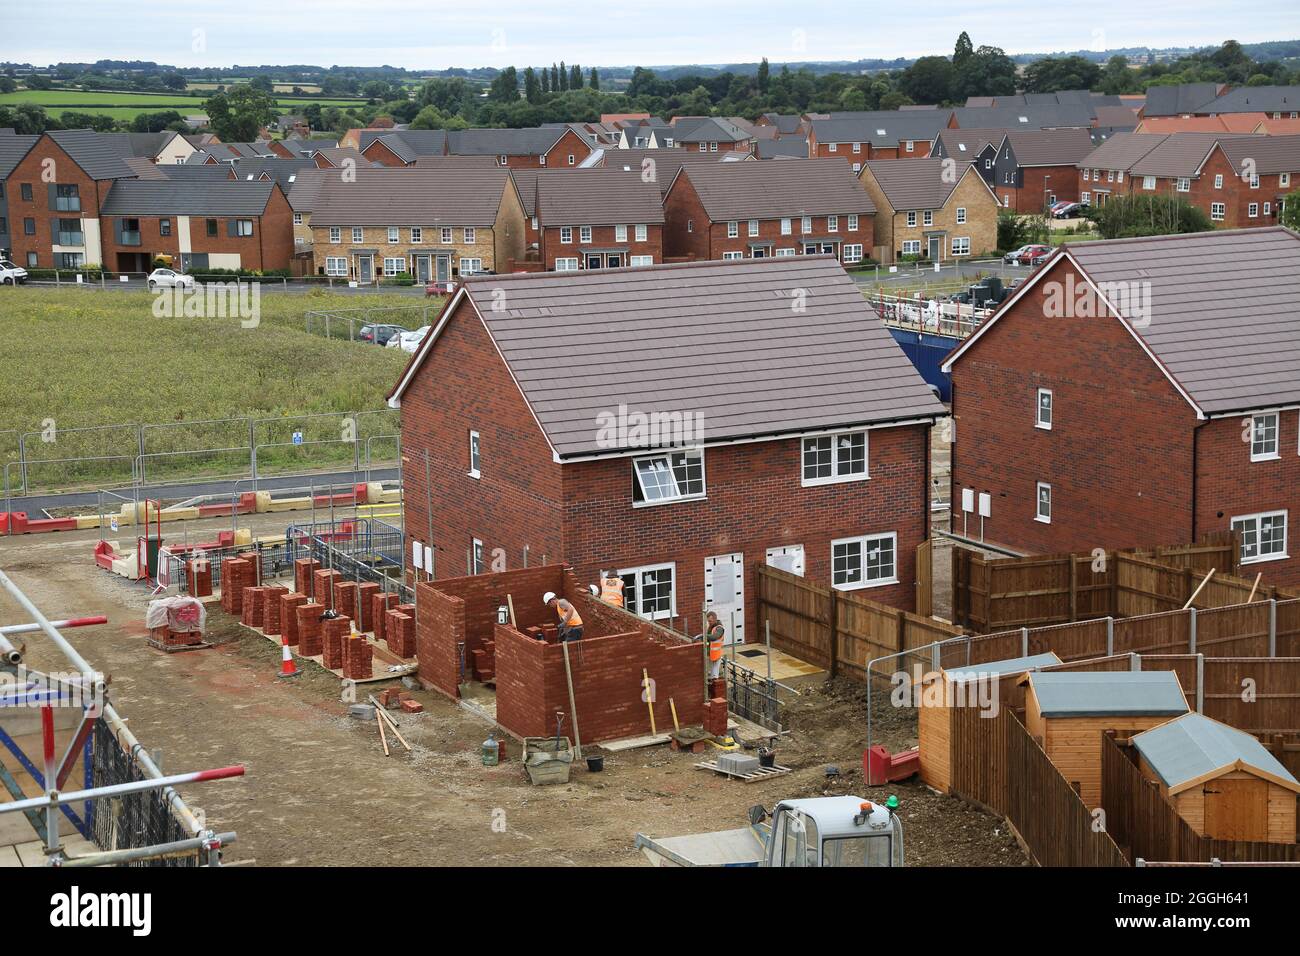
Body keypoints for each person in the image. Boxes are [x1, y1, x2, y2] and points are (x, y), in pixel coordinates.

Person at [704, 611, 725, 679]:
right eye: (708, 621)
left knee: (715, 675)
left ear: (715, 619)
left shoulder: (719, 628)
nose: (709, 623)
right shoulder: (711, 627)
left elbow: (714, 637)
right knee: (711, 674)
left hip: (716, 654)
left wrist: (704, 636)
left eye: (710, 621)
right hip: (710, 654)